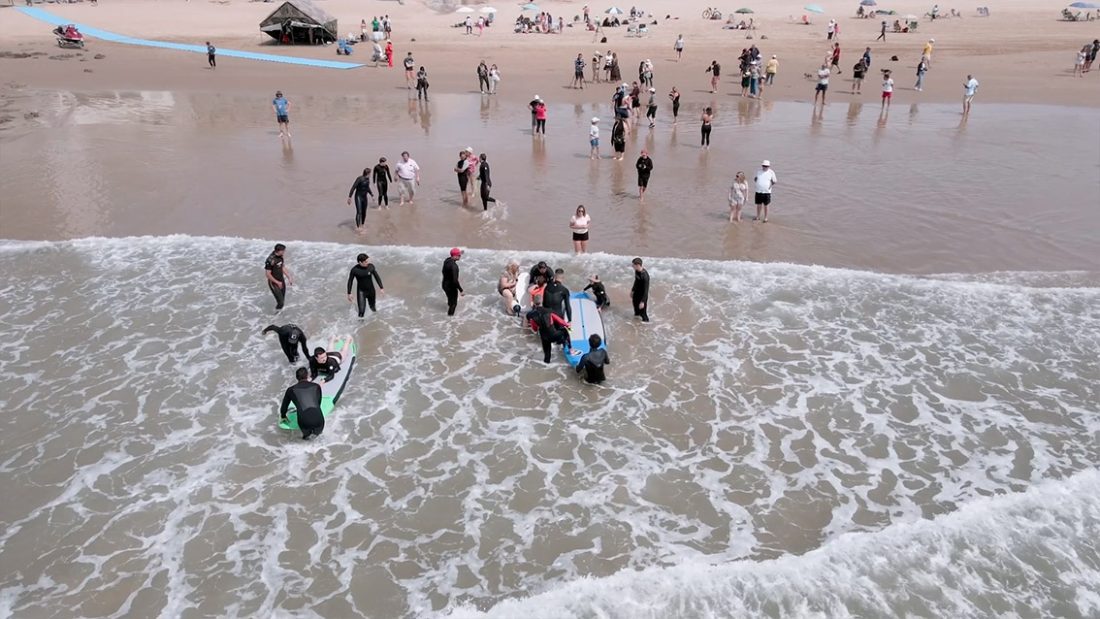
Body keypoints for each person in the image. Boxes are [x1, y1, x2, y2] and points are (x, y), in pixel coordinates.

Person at [280, 367, 324, 440]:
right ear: (307, 375)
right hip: (318, 419)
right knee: (319, 439)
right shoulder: (316, 386)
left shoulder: (291, 390)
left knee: (306, 440)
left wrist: (283, 415)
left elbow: (285, 405)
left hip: (304, 421)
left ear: (297, 378)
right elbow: (318, 402)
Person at [347, 253, 384, 317]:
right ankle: (360, 325)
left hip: (371, 291)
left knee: (373, 308)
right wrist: (349, 293)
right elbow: (350, 281)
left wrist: (381, 288)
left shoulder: (371, 267)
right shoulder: (355, 270)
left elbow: (377, 277)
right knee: (361, 312)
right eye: (365, 261)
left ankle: (375, 322)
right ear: (360, 262)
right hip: (361, 292)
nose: (367, 262)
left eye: (368, 261)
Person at [264, 243, 293, 311]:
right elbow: (268, 274)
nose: (284, 252)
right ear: (278, 251)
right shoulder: (270, 260)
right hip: (273, 282)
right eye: (283, 251)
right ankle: (275, 315)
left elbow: (282, 267)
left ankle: (279, 314)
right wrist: (277, 282)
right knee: (281, 302)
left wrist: (289, 277)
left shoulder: (280, 257)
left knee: (282, 300)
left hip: (281, 280)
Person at [347, 168, 374, 234]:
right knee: (359, 212)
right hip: (358, 197)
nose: (370, 174)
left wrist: (372, 194)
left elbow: (367, 188)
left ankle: (362, 225)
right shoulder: (359, 179)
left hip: (364, 197)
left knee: (364, 212)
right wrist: (349, 197)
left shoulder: (367, 179)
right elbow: (353, 187)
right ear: (368, 173)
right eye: (370, 173)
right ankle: (358, 227)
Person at [442, 248, 464, 316]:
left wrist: (460, 252)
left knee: (450, 299)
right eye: (459, 255)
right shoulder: (454, 267)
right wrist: (461, 290)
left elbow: (453, 255)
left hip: (444, 285)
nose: (460, 256)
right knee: (454, 304)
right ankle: (449, 319)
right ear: (454, 256)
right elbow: (455, 281)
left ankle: (449, 306)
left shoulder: (447, 260)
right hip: (451, 287)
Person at [630, 257, 650, 322]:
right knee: (636, 311)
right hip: (636, 294)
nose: (632, 266)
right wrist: (632, 290)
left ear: (638, 265)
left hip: (642, 296)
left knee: (643, 314)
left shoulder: (645, 277)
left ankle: (645, 328)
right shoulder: (637, 271)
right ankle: (636, 325)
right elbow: (636, 281)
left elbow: (646, 290)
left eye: (633, 265)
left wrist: (643, 302)